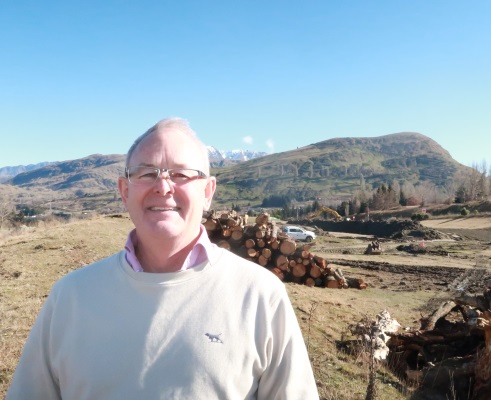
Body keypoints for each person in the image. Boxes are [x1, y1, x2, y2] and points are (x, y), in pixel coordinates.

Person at [7, 118, 319, 400]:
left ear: (208, 191)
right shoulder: (70, 297)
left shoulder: (260, 295)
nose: (163, 187)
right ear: (124, 190)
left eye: (182, 174)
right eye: (147, 173)